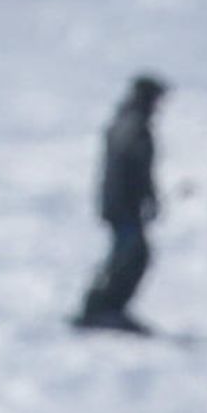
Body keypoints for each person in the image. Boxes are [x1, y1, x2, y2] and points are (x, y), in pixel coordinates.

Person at [74, 76, 168, 335]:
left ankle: (104, 306)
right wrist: (145, 197)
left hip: (121, 203)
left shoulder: (128, 120)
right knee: (130, 255)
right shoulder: (132, 124)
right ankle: (103, 307)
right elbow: (133, 167)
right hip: (123, 204)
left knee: (130, 254)